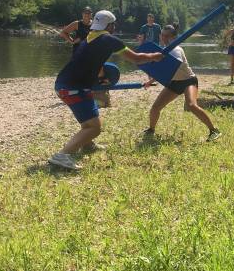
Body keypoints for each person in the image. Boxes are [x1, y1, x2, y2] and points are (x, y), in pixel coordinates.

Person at [50, 10, 163, 171]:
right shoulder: (109, 40)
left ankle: (87, 145)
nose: (114, 27)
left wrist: (102, 78)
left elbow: (92, 63)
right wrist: (155, 56)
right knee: (94, 127)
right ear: (109, 25)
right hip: (73, 88)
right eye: (113, 24)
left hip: (66, 84)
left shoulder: (88, 37)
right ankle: (62, 155)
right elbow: (136, 58)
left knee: (90, 119)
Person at [143, 25, 222, 143]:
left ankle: (214, 130)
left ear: (174, 37)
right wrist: (150, 81)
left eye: (167, 36)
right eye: (162, 35)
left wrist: (159, 63)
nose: (163, 38)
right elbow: (162, 68)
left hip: (188, 81)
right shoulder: (163, 50)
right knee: (155, 107)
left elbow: (171, 66)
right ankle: (151, 130)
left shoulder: (176, 50)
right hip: (174, 83)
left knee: (191, 105)